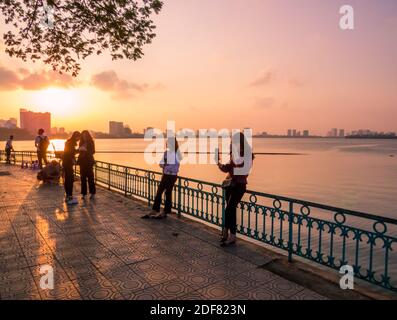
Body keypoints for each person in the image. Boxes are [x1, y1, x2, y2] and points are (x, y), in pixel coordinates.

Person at [217, 132, 254, 246]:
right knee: (229, 210)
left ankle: (232, 236)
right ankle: (226, 233)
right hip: (230, 185)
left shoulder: (247, 155)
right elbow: (227, 168)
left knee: (230, 209)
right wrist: (218, 163)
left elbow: (243, 170)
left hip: (239, 186)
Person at [142, 138, 182, 220]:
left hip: (172, 176)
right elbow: (161, 163)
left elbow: (173, 167)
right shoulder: (166, 153)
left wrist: (165, 165)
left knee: (168, 193)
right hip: (165, 175)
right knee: (159, 191)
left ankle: (165, 212)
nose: (168, 144)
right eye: (167, 143)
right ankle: (155, 210)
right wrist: (165, 165)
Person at [63, 131, 81, 205]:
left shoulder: (68, 142)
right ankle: (69, 196)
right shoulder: (70, 143)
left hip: (66, 163)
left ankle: (68, 195)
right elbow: (71, 153)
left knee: (68, 179)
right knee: (70, 179)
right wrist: (79, 150)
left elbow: (70, 153)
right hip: (68, 163)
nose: (78, 140)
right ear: (76, 137)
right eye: (78, 138)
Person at [78, 130, 96, 200]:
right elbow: (79, 151)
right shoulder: (81, 142)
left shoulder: (91, 142)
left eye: (85, 135)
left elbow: (93, 151)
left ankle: (92, 193)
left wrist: (86, 150)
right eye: (83, 135)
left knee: (90, 178)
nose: (84, 136)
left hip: (89, 161)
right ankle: (84, 193)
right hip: (82, 162)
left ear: (88, 135)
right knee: (83, 178)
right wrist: (79, 150)